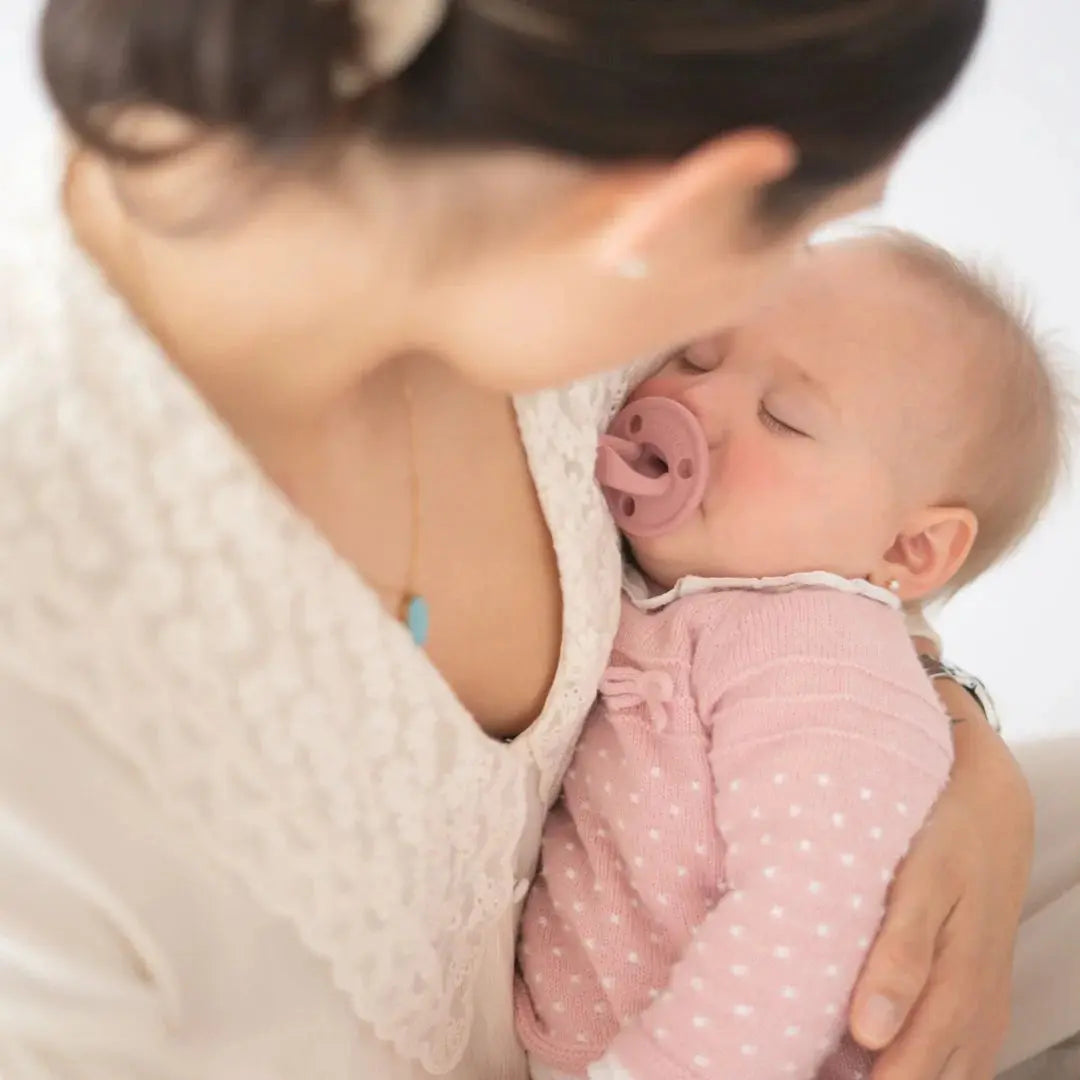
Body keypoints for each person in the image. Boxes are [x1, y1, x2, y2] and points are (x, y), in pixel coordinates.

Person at [0, 1, 1074, 1078]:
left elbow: (835, 566)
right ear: (673, 205)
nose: (762, 312)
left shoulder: (571, 281)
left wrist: (963, 759)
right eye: (795, 236)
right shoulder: (46, 723)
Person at [515, 232, 1068, 1080]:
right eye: (699, 356)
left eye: (784, 418)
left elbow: (809, 918)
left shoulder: (828, 665)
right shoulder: (696, 595)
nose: (694, 403)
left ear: (912, 554)